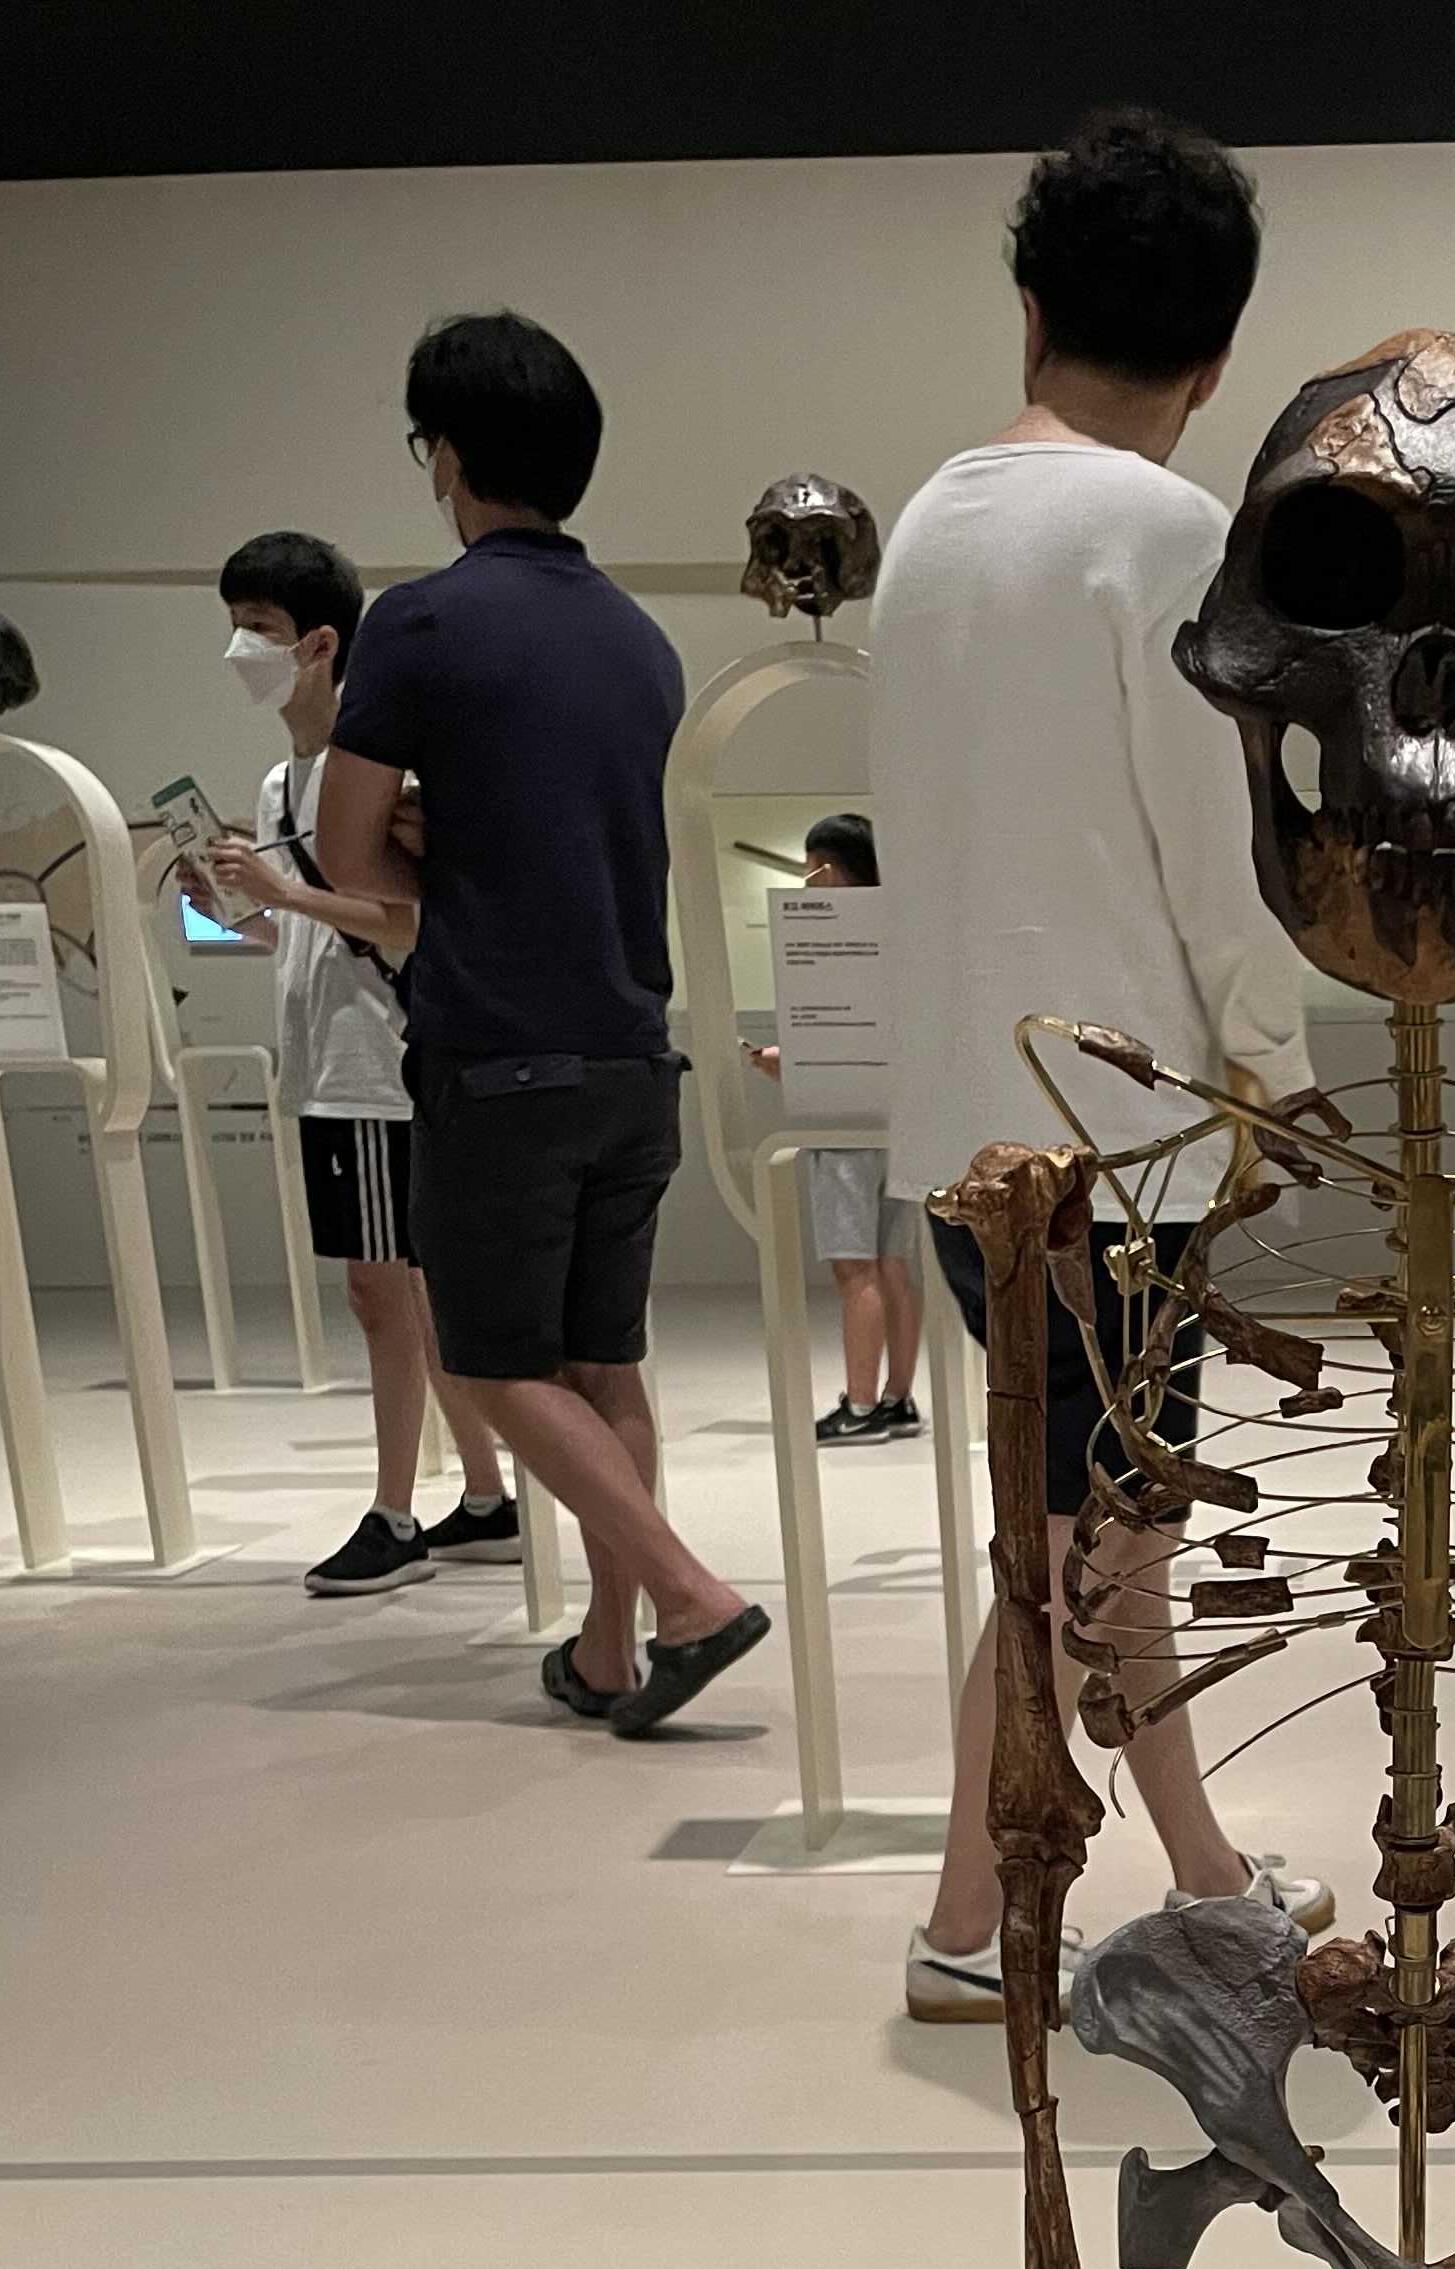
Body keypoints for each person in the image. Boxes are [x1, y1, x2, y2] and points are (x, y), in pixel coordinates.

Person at [873, 105, 1331, 2021]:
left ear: (1031, 309)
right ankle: (967, 1929)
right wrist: (1275, 1072)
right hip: (1117, 1145)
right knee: (1077, 1547)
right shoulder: (1167, 537)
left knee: (1092, 1534)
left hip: (960, 1129)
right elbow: (1220, 858)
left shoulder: (925, 528)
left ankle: (1195, 1873)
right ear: (1214, 359)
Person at [317, 312, 767, 1730]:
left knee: (494, 1364)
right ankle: (610, 1647)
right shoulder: (640, 639)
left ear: (445, 455)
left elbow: (345, 857)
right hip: (635, 1053)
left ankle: (689, 1598)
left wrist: (434, 864)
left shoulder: (421, 621)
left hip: (498, 1058)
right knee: (603, 1360)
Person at [199, 530, 517, 1596]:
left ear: (321, 642)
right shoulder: (281, 780)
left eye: (260, 627)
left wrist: (287, 895)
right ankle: (485, 1498)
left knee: (388, 1297)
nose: (241, 648)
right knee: (404, 1298)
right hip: (330, 1065)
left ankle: (395, 1512)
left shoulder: (378, 771)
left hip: (380, 1067)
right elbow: (308, 932)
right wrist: (239, 912)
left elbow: (410, 921)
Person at [740, 811, 927, 1445]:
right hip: (895, 1122)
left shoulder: (827, 942)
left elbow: (834, 1041)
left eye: (813, 868)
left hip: (844, 1127)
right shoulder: (900, 938)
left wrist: (784, 1063)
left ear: (831, 869)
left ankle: (862, 1404)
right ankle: (897, 1399)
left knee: (856, 1271)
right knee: (893, 1265)